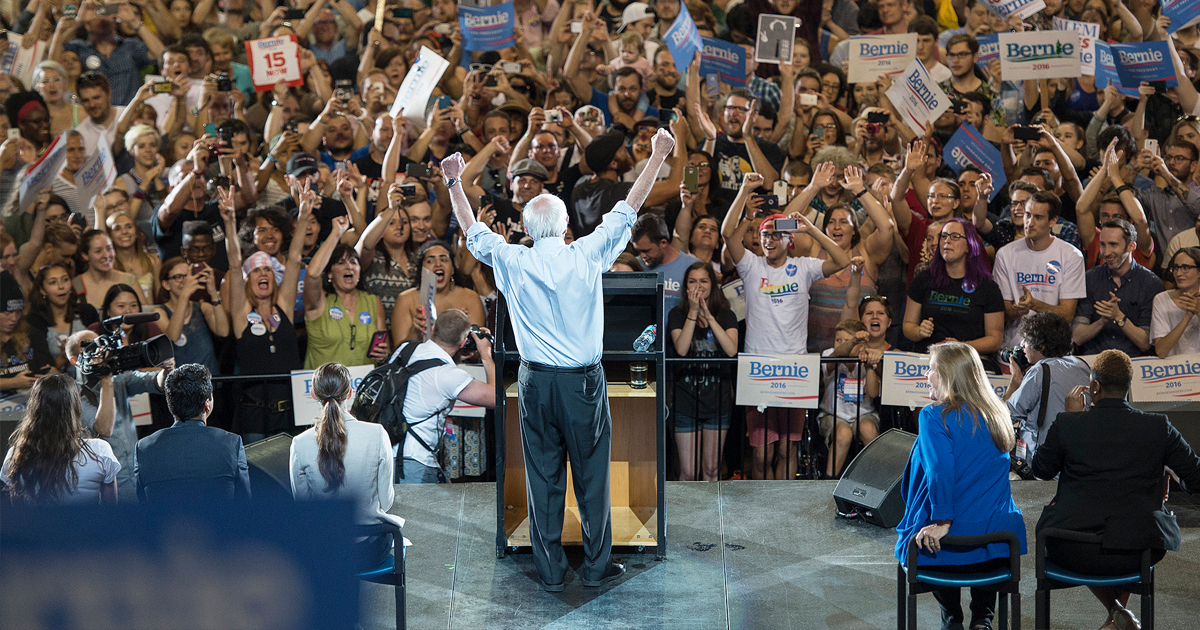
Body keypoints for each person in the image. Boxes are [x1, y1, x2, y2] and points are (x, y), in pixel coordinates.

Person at [450, 128, 678, 592]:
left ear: (529, 231)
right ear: (566, 227)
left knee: (543, 478)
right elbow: (630, 206)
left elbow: (471, 229)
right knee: (593, 477)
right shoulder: (588, 252)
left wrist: (454, 182)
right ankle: (595, 567)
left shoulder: (511, 258)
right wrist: (657, 154)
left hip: (534, 384)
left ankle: (550, 570)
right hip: (582, 385)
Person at [1032, 349, 1200, 630]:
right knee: (1125, 530)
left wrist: (1069, 417)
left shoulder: (1069, 423)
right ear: (1128, 387)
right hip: (1137, 550)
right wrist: (1172, 474)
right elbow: (1196, 478)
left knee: (1092, 533)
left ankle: (1116, 613)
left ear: (1094, 386)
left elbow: (1041, 470)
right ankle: (1117, 614)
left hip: (1071, 546)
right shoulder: (1158, 427)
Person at [720, 172, 851, 479]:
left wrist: (812, 230)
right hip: (759, 367)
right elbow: (728, 235)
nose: (768, 240)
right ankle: (762, 508)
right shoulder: (752, 266)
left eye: (776, 234)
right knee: (763, 451)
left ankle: (784, 509)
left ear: (789, 239)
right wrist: (743, 194)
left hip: (794, 367)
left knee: (787, 449)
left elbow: (843, 261)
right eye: (764, 234)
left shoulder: (802, 267)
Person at [895, 341, 1027, 630]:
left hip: (946, 551)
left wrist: (943, 519)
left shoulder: (933, 415)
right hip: (998, 547)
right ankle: (983, 619)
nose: (926, 375)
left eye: (930, 369)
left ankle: (952, 619)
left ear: (946, 374)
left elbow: (940, 470)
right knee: (983, 519)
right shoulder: (998, 414)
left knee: (927, 534)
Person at [290, 362, 404, 571]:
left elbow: (303, 507)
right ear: (350, 393)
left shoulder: (300, 443)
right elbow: (386, 503)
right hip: (369, 550)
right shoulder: (377, 434)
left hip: (325, 550)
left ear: (314, 394)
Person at [220, 186, 310, 442]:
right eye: (257, 271)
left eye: (267, 270)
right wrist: (229, 221)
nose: (263, 274)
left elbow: (294, 259)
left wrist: (303, 215)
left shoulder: (284, 307)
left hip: (290, 412)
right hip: (252, 414)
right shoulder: (242, 315)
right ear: (249, 281)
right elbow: (235, 265)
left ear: (274, 277)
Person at [64, 330, 171, 498]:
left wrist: (167, 368)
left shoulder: (120, 377)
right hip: (105, 484)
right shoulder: (72, 394)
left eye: (101, 345)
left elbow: (157, 383)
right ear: (75, 360)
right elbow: (104, 429)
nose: (100, 352)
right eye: (91, 348)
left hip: (136, 475)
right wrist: (106, 381)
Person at [395, 309, 498, 483]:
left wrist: (454, 355)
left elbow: (430, 372)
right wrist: (486, 355)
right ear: (464, 341)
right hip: (414, 461)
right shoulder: (449, 376)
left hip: (386, 451)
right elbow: (496, 399)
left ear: (434, 328)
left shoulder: (405, 348)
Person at [134, 364, 250, 503]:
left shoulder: (144, 448)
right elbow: (244, 501)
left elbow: (142, 503)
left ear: (171, 404)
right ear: (207, 404)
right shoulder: (231, 443)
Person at [1, 374, 121, 504]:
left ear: (34, 408)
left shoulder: (16, 455)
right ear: (75, 406)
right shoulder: (99, 451)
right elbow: (111, 510)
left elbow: (17, 513)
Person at [668, 262, 738, 481]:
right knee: (688, 472)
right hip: (686, 401)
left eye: (703, 280)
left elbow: (730, 350)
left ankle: (710, 516)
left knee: (711, 471)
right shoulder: (677, 314)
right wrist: (693, 312)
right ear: (686, 287)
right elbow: (681, 348)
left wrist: (708, 316)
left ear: (712, 285)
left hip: (718, 403)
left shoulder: (726, 315)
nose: (698, 285)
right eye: (692, 281)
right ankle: (684, 516)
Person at [903, 218, 1005, 364]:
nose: (947, 241)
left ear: (969, 246)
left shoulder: (987, 287)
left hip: (966, 364)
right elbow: (908, 326)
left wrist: (962, 347)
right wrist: (918, 331)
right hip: (927, 363)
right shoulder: (924, 279)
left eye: (955, 236)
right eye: (943, 236)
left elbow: (995, 339)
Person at [1004, 311, 1092, 469]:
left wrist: (1015, 380)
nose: (1022, 344)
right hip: (1076, 459)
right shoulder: (1081, 365)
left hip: (1043, 465)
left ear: (1041, 345)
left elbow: (1005, 417)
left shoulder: (1039, 371)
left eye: (1027, 339)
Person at [302, 217, 390, 368]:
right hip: (324, 388)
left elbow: (384, 346)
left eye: (353, 262)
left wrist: (385, 354)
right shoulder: (319, 301)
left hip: (362, 386)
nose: (349, 267)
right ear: (329, 273)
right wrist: (336, 233)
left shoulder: (372, 302)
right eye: (341, 263)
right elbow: (312, 274)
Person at [1072, 219, 1164, 357]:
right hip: (1093, 361)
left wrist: (1119, 317)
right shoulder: (1090, 279)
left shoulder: (1150, 284)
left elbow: (1145, 343)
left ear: (1131, 246)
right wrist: (1102, 321)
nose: (1106, 252)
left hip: (1134, 364)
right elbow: (1077, 337)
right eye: (1103, 245)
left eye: (1113, 245)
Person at [631, 214, 699, 318]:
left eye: (646, 251)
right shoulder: (634, 266)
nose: (642, 256)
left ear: (663, 243)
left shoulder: (693, 267)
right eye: (639, 251)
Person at [1152, 248, 1200, 358]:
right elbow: (1161, 351)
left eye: (1186, 267)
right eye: (1175, 268)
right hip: (1175, 370)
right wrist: (1187, 317)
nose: (1178, 273)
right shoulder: (1161, 300)